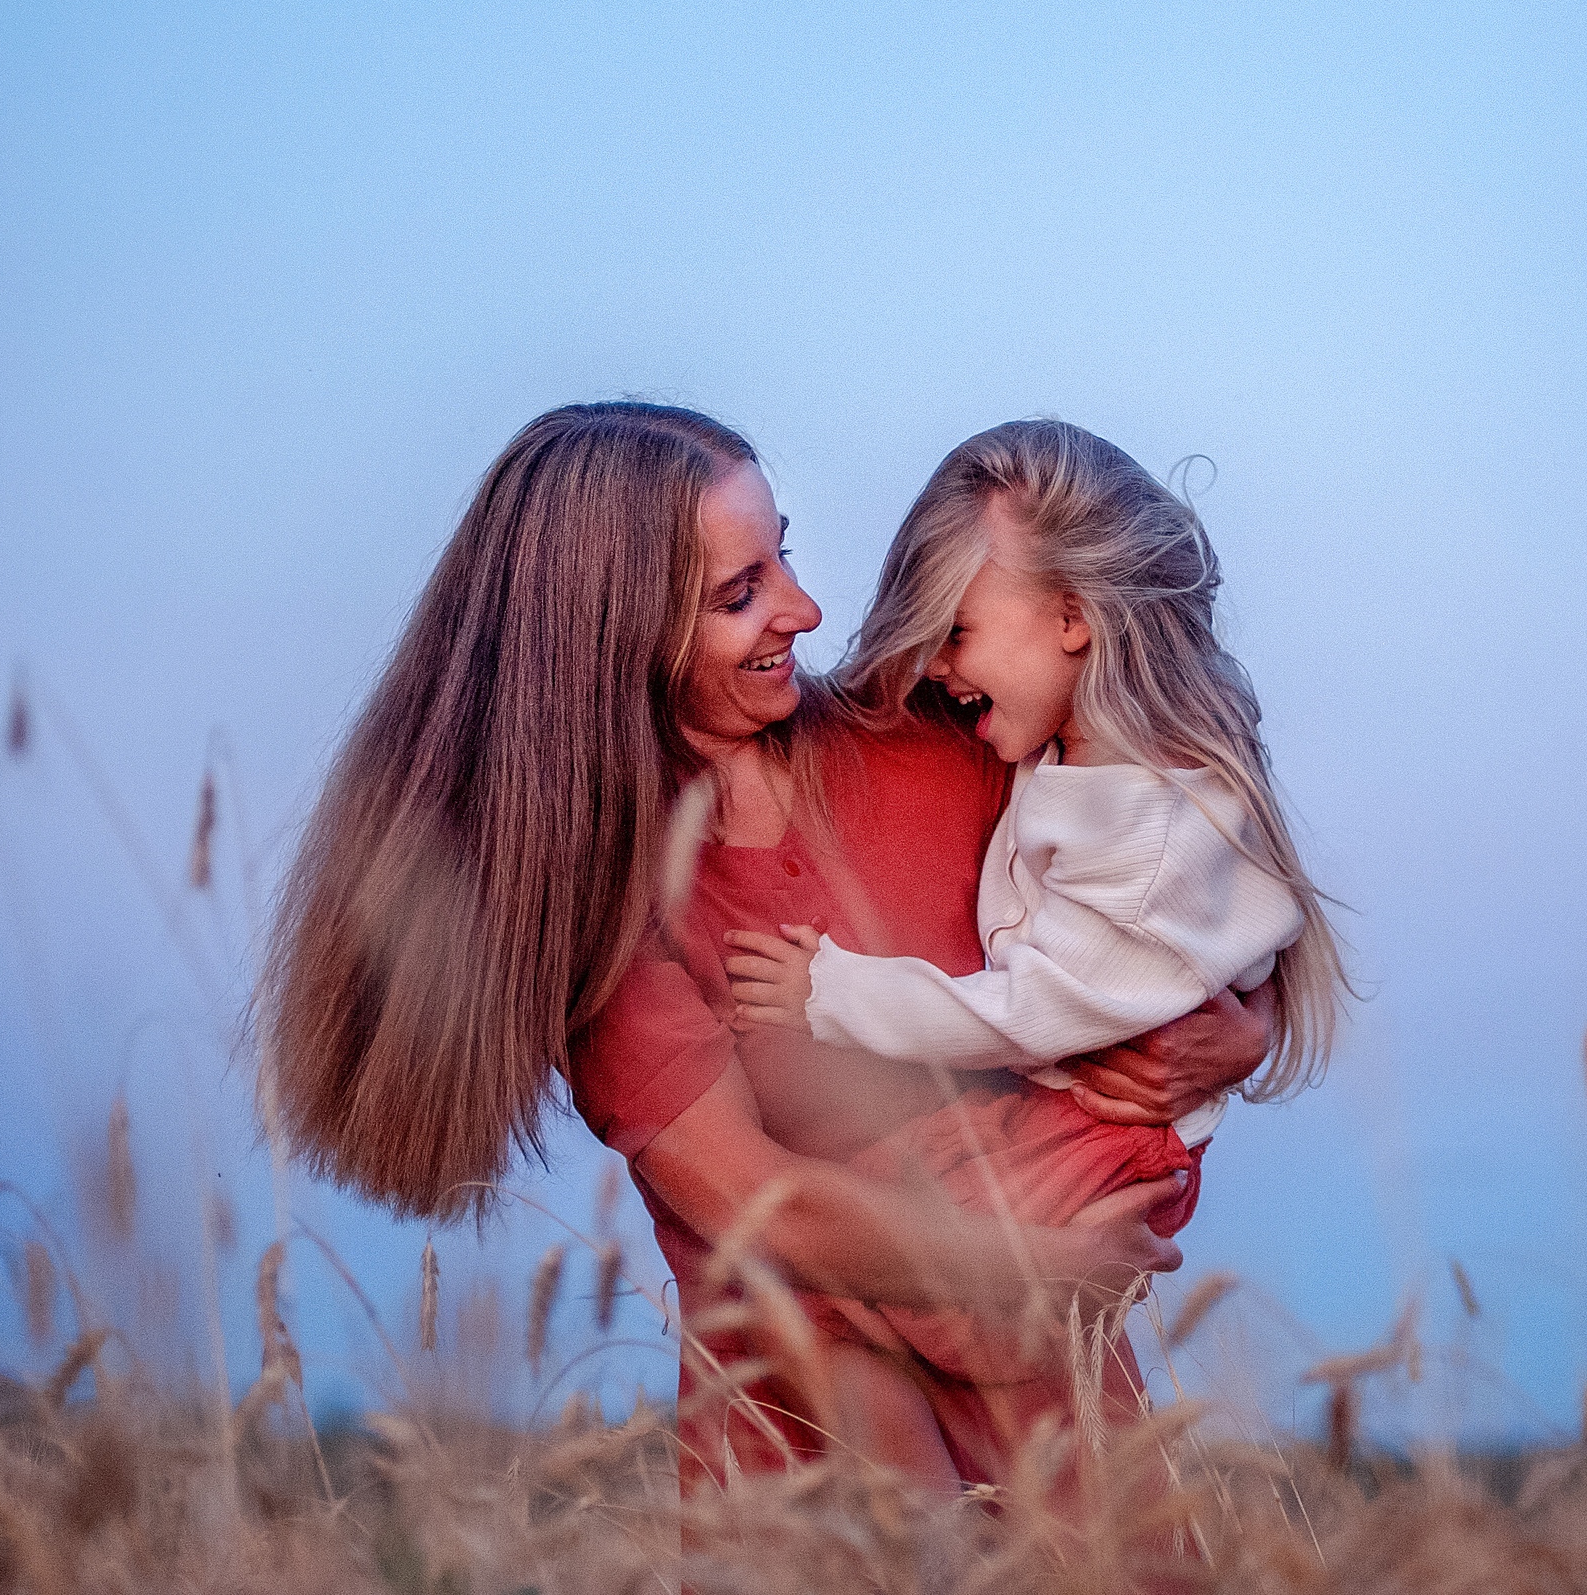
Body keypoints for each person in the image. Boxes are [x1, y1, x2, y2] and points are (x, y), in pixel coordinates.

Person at [258, 402, 1270, 1498]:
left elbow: (1179, 856)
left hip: (1062, 1438)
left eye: (778, 552)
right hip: (818, 1490)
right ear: (617, 636)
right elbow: (763, 1202)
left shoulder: (930, 737)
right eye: (740, 593)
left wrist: (1237, 1031)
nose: (805, 605)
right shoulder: (610, 915)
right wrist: (1040, 1262)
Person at [722, 419, 1344, 1388]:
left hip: (1098, 1134)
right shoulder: (1058, 743)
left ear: (1072, 617)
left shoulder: (1146, 818)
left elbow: (1032, 1010)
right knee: (882, 1270)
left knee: (934, 1313)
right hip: (1059, 1114)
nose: (933, 665)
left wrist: (828, 992)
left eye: (956, 632)